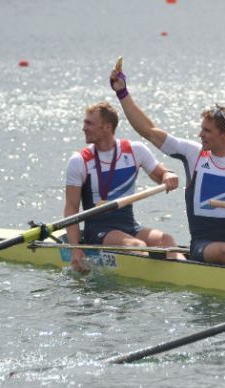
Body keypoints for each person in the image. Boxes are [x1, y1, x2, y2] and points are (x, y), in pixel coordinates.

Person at [109, 63, 225, 269]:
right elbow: (149, 131)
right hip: (204, 245)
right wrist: (122, 93)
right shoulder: (194, 155)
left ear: (224, 134)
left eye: (207, 131)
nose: (200, 135)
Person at [64, 101, 186, 273]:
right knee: (136, 245)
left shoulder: (135, 151)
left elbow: (161, 175)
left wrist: (168, 175)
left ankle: (182, 274)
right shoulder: (79, 161)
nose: (84, 128)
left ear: (107, 127)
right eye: (85, 123)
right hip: (98, 231)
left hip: (129, 225)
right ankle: (160, 276)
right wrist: (75, 249)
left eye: (89, 123)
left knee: (166, 240)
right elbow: (71, 208)